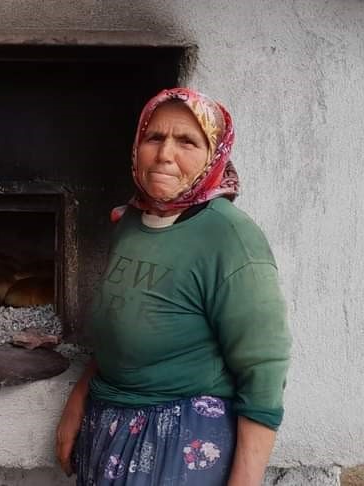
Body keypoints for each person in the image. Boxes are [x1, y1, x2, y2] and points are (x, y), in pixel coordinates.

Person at [56, 87, 291, 486]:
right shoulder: (132, 221)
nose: (165, 154)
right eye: (154, 137)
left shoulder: (230, 238)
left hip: (182, 440)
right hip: (111, 425)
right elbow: (121, 333)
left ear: (213, 153)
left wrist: (246, 480)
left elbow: (263, 367)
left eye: (186, 141)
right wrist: (78, 400)